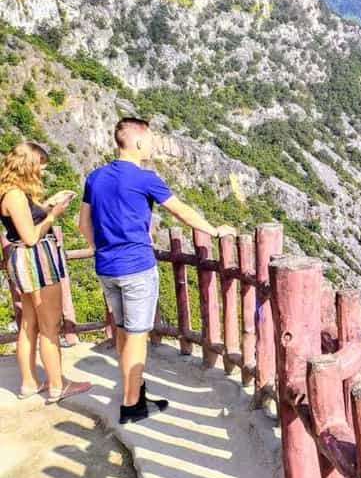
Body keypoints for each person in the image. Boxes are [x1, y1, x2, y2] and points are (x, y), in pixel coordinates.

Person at [79, 118, 236, 424]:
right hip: (136, 267)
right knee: (137, 337)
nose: (152, 145)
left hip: (106, 267)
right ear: (137, 142)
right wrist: (215, 231)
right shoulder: (144, 178)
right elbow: (181, 210)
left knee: (124, 331)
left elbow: (83, 225)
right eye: (149, 140)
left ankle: (134, 389)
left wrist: (104, 248)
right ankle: (132, 405)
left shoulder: (95, 177)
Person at [0, 142, 92, 403]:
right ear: (28, 165)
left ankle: (29, 383)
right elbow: (29, 236)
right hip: (36, 259)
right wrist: (54, 216)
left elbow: (27, 219)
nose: (41, 172)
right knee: (50, 326)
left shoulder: (9, 192)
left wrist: (49, 204)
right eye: (39, 166)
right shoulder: (15, 196)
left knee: (28, 324)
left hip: (24, 261)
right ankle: (56, 385)